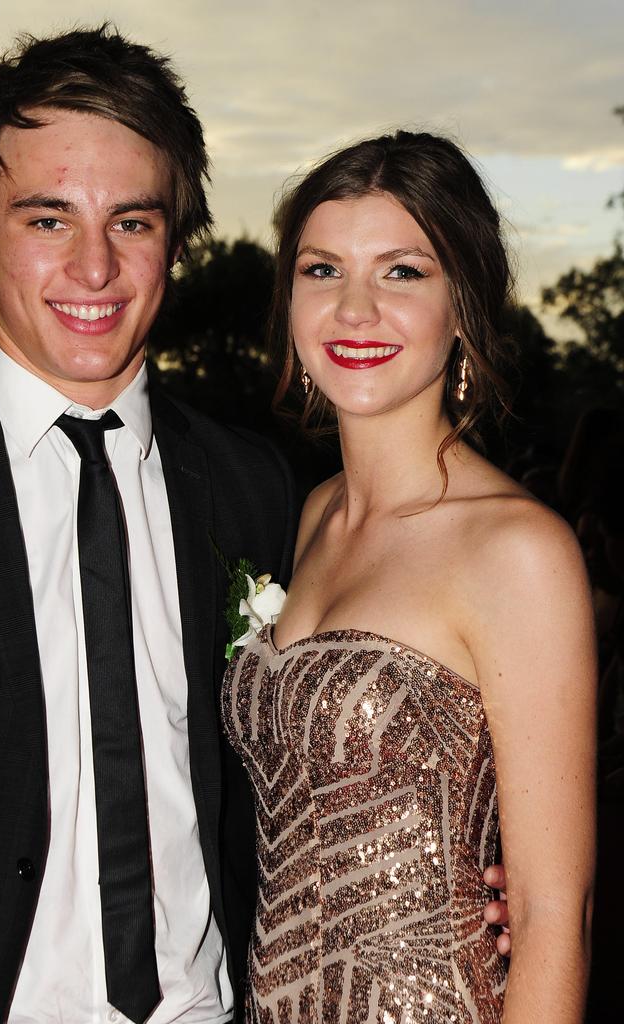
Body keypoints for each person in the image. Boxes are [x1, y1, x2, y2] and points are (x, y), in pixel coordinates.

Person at [0, 26, 299, 1024]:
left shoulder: (252, 486)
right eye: (49, 219)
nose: (94, 268)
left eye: (133, 222)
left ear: (176, 235)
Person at [222, 132, 596, 1022]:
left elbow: (553, 916)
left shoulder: (518, 551)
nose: (355, 309)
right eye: (322, 270)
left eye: (402, 272)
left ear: (464, 304)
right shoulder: (308, 516)